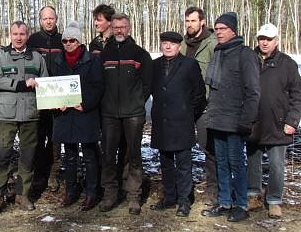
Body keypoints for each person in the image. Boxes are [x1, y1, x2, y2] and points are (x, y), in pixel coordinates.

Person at [201, 12, 260, 222]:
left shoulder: (245, 54)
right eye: (216, 29)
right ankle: (225, 202)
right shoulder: (218, 52)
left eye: (223, 29)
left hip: (235, 121)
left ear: (233, 30)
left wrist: (247, 120)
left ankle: (241, 204)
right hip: (217, 119)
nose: (218, 32)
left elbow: (253, 90)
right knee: (221, 164)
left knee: (236, 164)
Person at [0, 21, 49, 216]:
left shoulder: (37, 58)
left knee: (28, 156)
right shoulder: (0, 55)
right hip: (7, 114)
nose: (19, 37)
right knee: (2, 155)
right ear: (10, 35)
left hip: (31, 114)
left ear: (27, 35)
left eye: (22, 34)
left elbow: (45, 82)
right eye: (15, 34)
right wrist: (21, 84)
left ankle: (23, 194)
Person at [246, 23, 301, 219]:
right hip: (253, 122)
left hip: (278, 123)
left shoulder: (287, 64)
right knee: (252, 161)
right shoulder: (249, 60)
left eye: (269, 39)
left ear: (276, 41)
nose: (264, 42)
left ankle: (274, 200)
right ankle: (253, 195)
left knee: (277, 164)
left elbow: (298, 94)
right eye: (261, 38)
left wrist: (292, 121)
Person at [99, 13, 152, 215]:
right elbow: (99, 82)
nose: (119, 30)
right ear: (111, 28)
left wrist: (137, 101)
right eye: (116, 27)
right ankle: (110, 193)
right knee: (109, 155)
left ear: (129, 28)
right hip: (110, 113)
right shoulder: (105, 54)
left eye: (123, 27)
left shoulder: (139, 54)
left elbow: (147, 84)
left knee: (133, 154)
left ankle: (133, 196)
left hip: (133, 113)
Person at [150, 31, 207, 217]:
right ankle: (169, 197)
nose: (168, 47)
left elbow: (199, 94)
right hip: (161, 121)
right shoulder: (155, 65)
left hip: (182, 122)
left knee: (183, 164)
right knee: (165, 162)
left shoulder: (189, 64)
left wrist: (189, 113)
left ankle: (184, 201)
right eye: (164, 43)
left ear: (179, 46)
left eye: (172, 44)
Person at [49, 21, 104, 210]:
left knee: (89, 155)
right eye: (65, 40)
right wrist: (57, 104)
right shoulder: (57, 61)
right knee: (70, 155)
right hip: (65, 115)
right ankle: (70, 191)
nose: (68, 43)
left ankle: (91, 192)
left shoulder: (92, 60)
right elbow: (53, 86)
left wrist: (86, 104)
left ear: (79, 42)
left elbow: (98, 87)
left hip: (85, 114)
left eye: (72, 40)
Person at [181, 6, 218, 206]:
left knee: (209, 149)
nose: (189, 25)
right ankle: (183, 192)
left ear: (202, 22)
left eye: (193, 21)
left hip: (206, 106)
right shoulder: (182, 45)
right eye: (187, 21)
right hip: (185, 106)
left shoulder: (212, 43)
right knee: (183, 147)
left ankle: (214, 191)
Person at [27, 5, 64, 193]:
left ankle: (53, 175)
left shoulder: (63, 39)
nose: (48, 21)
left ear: (56, 19)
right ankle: (39, 174)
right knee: (38, 138)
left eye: (51, 18)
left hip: (58, 97)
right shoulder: (32, 40)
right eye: (44, 18)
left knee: (56, 139)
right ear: (40, 20)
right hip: (37, 98)